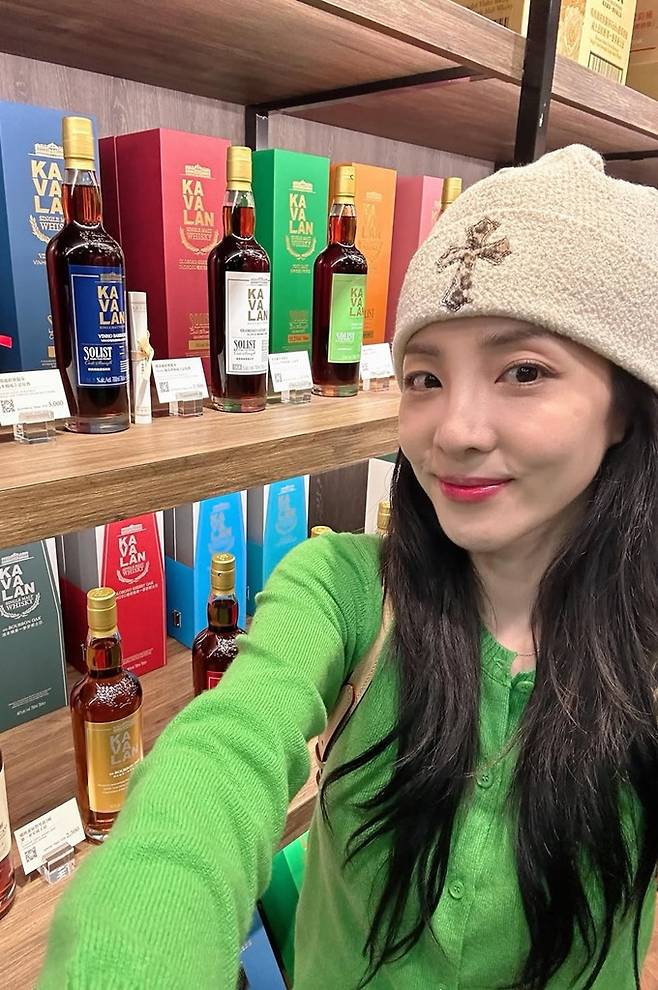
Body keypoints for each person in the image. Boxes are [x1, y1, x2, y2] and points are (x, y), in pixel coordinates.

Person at [39, 145, 658, 990]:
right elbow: (215, 766)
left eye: (523, 371)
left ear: (626, 402)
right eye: (425, 377)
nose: (456, 431)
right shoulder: (342, 590)